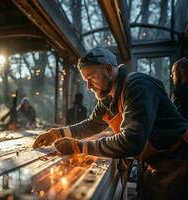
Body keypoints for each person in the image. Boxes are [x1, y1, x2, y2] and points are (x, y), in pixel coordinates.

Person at [33, 47, 188, 199]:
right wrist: (57, 133)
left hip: (176, 161)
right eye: (85, 80)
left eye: (91, 77)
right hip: (153, 162)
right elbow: (92, 124)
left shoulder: (137, 86)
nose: (88, 86)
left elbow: (131, 141)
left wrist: (80, 146)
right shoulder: (108, 96)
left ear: (108, 69)